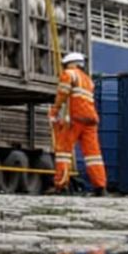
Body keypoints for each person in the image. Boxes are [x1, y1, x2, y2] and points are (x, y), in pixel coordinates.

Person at [52, 50, 107, 195]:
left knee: (63, 152)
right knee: (93, 155)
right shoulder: (88, 80)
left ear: (71, 64)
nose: (65, 67)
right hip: (91, 120)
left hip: (75, 119)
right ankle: (100, 187)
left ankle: (61, 185)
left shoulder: (69, 74)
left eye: (65, 64)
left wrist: (54, 111)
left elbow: (62, 95)